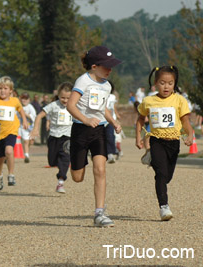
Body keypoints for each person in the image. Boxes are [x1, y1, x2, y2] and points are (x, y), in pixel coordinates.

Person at [66, 46, 122, 227]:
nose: (110, 69)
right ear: (94, 66)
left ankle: (99, 213)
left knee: (100, 169)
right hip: (81, 130)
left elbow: (102, 108)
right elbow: (71, 106)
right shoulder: (83, 81)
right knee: (77, 177)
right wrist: (85, 119)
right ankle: (72, 156)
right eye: (107, 66)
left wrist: (113, 122)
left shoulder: (106, 86)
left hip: (99, 131)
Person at [136, 65, 193, 221]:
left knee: (166, 177)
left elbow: (186, 121)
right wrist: (138, 137)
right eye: (162, 83)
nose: (166, 86)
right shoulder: (148, 101)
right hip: (157, 141)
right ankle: (164, 207)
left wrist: (190, 135)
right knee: (161, 174)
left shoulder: (180, 100)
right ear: (155, 83)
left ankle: (153, 161)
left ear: (174, 83)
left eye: (170, 83)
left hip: (173, 142)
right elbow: (140, 119)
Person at [30, 82, 73, 193]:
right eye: (63, 97)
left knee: (65, 158)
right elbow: (39, 116)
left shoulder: (74, 106)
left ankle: (61, 181)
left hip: (67, 137)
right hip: (54, 136)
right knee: (52, 161)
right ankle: (59, 166)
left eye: (68, 98)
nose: (65, 100)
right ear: (58, 95)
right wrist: (35, 129)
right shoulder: (53, 105)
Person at [0, 76, 28, 190]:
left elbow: (20, 110)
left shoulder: (15, 101)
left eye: (5, 88)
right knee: (0, 157)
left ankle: (11, 174)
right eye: (0, 88)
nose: (2, 91)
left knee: (9, 151)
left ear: (11, 90)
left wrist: (24, 120)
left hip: (11, 131)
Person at [19, 92, 36, 163]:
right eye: (23, 98)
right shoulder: (19, 106)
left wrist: (25, 114)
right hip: (21, 127)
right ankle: (26, 155)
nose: (24, 100)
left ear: (29, 100)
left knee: (30, 142)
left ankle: (27, 152)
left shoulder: (30, 107)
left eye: (26, 99)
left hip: (30, 127)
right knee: (25, 141)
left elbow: (33, 116)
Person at [105, 81, 120, 163]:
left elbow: (113, 107)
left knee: (110, 136)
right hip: (100, 119)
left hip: (110, 120)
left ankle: (111, 153)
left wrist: (116, 115)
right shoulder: (101, 94)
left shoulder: (112, 97)